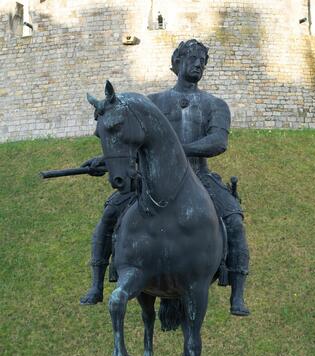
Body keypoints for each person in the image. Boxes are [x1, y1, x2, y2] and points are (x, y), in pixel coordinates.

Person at [80, 39, 250, 315]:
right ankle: (97, 284)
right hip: (153, 180)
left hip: (199, 177)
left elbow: (218, 141)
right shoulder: (154, 102)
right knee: (110, 212)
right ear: (177, 63)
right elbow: (132, 139)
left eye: (203, 61)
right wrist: (106, 160)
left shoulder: (215, 104)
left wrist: (177, 151)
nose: (198, 64)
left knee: (233, 218)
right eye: (192, 58)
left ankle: (237, 294)